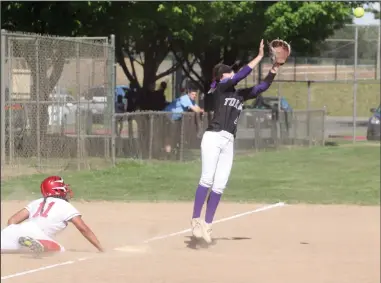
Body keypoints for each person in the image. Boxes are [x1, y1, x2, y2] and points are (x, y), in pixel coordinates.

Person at [190, 39, 281, 243]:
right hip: (213, 137)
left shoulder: (238, 95)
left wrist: (274, 68)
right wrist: (259, 56)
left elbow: (262, 87)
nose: (233, 74)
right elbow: (241, 74)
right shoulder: (220, 88)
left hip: (228, 140)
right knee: (207, 179)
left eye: (232, 72)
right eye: (229, 72)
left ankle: (207, 224)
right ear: (222, 77)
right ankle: (196, 219)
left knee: (220, 184)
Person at [1, 176, 104, 255]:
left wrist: (13, 231)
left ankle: (26, 242)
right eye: (63, 187)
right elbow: (83, 228)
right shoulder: (65, 205)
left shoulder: (36, 202)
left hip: (16, 230)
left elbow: (12, 220)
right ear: (57, 190)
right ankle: (37, 242)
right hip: (38, 235)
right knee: (59, 249)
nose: (66, 190)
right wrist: (100, 248)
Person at [163, 89, 204, 156]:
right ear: (188, 94)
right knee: (169, 135)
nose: (194, 96)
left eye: (195, 95)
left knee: (174, 135)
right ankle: (167, 154)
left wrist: (201, 110)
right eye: (193, 94)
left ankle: (172, 153)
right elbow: (196, 110)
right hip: (167, 116)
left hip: (175, 119)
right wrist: (200, 110)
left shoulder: (191, 100)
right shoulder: (185, 98)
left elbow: (198, 108)